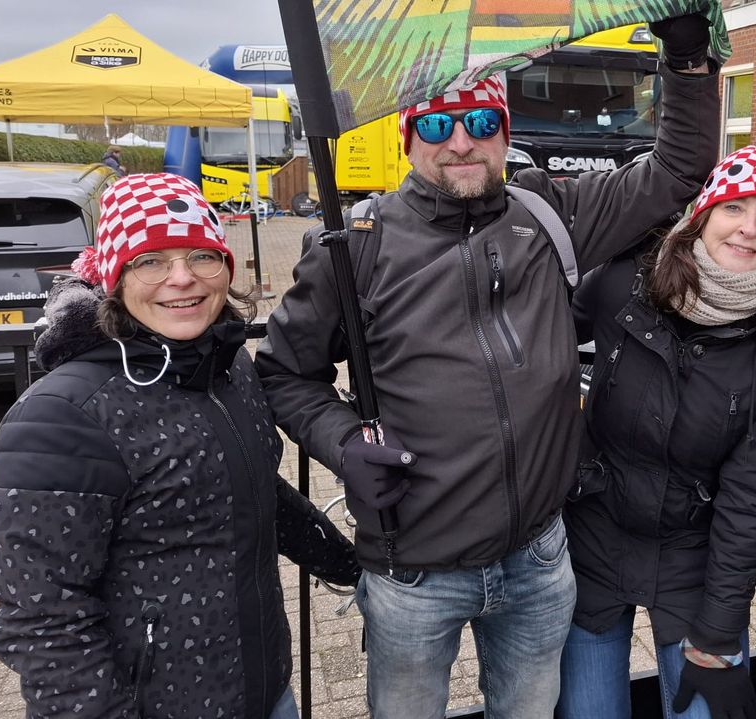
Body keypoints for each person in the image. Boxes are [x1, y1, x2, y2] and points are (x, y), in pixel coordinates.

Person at [255, 13, 721, 718]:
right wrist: (344, 441)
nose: (462, 142)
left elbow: (677, 171)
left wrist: (686, 61)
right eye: (438, 128)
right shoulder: (357, 249)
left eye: (479, 121)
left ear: (505, 132)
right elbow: (285, 374)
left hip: (538, 558)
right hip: (413, 571)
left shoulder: (550, 213)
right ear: (409, 141)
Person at [0, 173, 360, 718]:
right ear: (115, 277)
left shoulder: (229, 370)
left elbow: (253, 493)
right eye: (151, 261)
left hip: (264, 690)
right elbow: (42, 620)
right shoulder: (63, 418)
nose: (181, 279)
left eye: (201, 257)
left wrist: (355, 564)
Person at [556, 146, 756, 719]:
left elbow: (752, 497)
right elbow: (534, 338)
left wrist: (721, 631)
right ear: (703, 215)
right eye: (735, 208)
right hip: (594, 543)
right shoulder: (627, 282)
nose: (749, 229)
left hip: (695, 560)